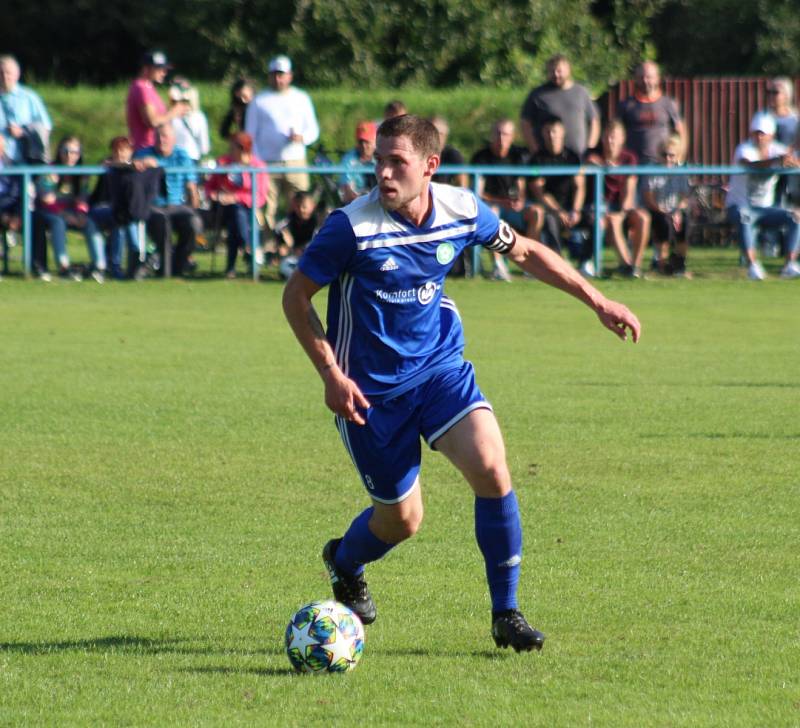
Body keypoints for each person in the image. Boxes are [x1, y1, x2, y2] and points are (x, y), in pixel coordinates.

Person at [282, 114, 641, 653]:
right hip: (369, 394)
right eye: (378, 160)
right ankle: (345, 559)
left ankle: (506, 613)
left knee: (493, 467)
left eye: (396, 161)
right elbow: (295, 297)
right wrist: (331, 374)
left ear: (430, 166)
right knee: (402, 521)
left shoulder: (462, 210)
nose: (382, 172)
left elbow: (524, 251)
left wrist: (598, 300)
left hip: (440, 371)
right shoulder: (349, 228)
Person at [245, 55, 319, 230]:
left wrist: (302, 138)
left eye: (282, 74)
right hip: (267, 163)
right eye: (274, 74)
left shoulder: (301, 98)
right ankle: (269, 247)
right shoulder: (259, 101)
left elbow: (313, 130)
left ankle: (301, 245)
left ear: (289, 76)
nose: (278, 78)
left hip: (296, 162)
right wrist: (257, 161)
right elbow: (250, 134)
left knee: (302, 207)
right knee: (268, 208)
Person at [725, 112, 800, 280]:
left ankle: (790, 264)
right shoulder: (744, 148)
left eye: (763, 134)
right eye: (756, 133)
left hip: (766, 209)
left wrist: (791, 162)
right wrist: (775, 161)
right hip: (739, 206)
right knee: (745, 217)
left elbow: (791, 158)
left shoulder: (778, 149)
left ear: (771, 135)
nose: (759, 137)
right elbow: (748, 163)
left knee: (796, 216)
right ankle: (753, 266)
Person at [470, 118, 537, 281]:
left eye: (506, 134)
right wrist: (500, 202)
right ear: (492, 135)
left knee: (536, 213)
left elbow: (521, 184)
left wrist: (520, 200)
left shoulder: (518, 156)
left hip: (514, 208)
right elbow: (478, 192)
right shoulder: (481, 157)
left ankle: (531, 264)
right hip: (493, 206)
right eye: (498, 134)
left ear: (512, 136)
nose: (501, 138)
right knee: (492, 212)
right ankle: (498, 266)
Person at [33, 136, 107, 282]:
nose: (69, 155)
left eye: (74, 152)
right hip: (49, 213)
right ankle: (63, 265)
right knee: (58, 223)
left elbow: (82, 199)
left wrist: (80, 213)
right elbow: (47, 200)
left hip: (71, 213)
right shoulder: (50, 171)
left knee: (90, 222)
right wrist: (65, 213)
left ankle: (99, 266)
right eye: (66, 151)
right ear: (59, 152)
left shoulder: (81, 174)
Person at [133, 123, 202, 277]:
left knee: (193, 224)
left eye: (165, 136)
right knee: (162, 222)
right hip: (153, 205)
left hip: (177, 205)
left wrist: (194, 208)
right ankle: (165, 271)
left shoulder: (182, 156)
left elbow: (191, 187)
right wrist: (142, 165)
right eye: (157, 137)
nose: (161, 140)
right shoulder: (143, 155)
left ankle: (177, 266)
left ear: (173, 139)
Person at [584, 121, 651, 277]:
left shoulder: (629, 158)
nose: (610, 141)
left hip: (622, 205)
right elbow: (583, 173)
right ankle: (626, 265)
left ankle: (636, 264)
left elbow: (630, 188)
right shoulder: (593, 155)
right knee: (612, 221)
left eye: (614, 137)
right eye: (607, 136)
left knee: (643, 218)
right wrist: (595, 164)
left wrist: (623, 211)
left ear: (622, 139)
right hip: (599, 207)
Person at [204, 131, 269, 278]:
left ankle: (232, 266)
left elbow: (260, 197)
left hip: (249, 210)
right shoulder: (223, 163)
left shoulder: (258, 166)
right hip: (221, 209)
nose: (230, 151)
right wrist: (216, 195)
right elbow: (209, 187)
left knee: (237, 215)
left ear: (243, 149)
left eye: (233, 148)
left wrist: (236, 197)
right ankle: (249, 248)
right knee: (236, 213)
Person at [520, 54, 599, 157]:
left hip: (579, 157)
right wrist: (534, 149)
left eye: (559, 71)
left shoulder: (581, 92)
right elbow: (525, 123)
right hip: (547, 158)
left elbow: (594, 121)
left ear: (568, 70)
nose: (555, 74)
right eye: (551, 71)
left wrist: (590, 148)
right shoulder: (538, 94)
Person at [529, 117, 586, 257]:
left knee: (593, 218)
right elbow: (539, 192)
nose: (551, 135)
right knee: (549, 220)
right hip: (549, 207)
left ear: (562, 133)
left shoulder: (573, 157)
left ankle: (587, 261)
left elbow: (580, 186)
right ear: (543, 133)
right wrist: (558, 211)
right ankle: (557, 257)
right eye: (548, 132)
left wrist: (576, 211)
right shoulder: (536, 159)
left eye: (554, 131)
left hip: (571, 207)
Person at [615, 61, 687, 165]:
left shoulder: (669, 104)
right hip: (633, 165)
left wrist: (680, 158)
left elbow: (681, 131)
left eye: (649, 77)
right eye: (641, 77)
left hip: (662, 164)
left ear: (657, 78)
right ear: (635, 78)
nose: (645, 81)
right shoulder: (626, 105)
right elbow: (616, 132)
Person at [642, 134, 692, 277]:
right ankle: (661, 264)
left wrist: (677, 211)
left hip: (675, 209)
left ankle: (680, 262)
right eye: (665, 155)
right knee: (663, 224)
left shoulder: (682, 171)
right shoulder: (652, 169)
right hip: (657, 208)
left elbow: (684, 196)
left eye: (672, 155)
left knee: (686, 222)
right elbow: (648, 196)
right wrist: (663, 211)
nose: (668, 159)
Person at [126, 51, 189, 151]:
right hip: (146, 149)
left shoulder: (148, 87)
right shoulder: (141, 88)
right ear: (146, 68)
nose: (164, 72)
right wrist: (174, 112)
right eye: (160, 69)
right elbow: (152, 121)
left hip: (156, 149)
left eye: (165, 69)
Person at [0, 54, 52, 164]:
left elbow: (46, 126)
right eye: (1, 73)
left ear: (17, 74)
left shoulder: (29, 97)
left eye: (8, 72)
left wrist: (23, 132)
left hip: (26, 159)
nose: (4, 76)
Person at [169, 77, 210, 164]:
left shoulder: (170, 117)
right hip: (192, 159)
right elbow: (204, 147)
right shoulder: (199, 117)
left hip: (173, 160)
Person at [273, 190, 319, 260]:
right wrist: (282, 245)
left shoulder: (318, 223)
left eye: (304, 207)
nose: (301, 210)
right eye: (298, 206)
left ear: (313, 206)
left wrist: (295, 247)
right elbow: (278, 228)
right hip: (293, 253)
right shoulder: (290, 220)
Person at [338, 121, 377, 203]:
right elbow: (346, 187)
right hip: (355, 203)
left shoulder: (384, 157)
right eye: (360, 141)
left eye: (367, 141)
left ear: (375, 141)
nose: (363, 145)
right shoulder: (348, 159)